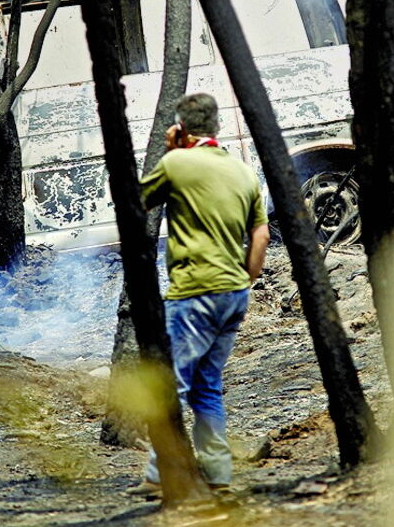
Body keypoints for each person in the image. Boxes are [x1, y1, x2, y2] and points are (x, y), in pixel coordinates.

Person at [135, 92, 270, 492]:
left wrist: (172, 152)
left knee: (173, 383)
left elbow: (138, 201)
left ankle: (162, 476)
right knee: (207, 386)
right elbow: (260, 235)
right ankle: (218, 475)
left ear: (181, 127)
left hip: (193, 292)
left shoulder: (176, 163)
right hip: (234, 292)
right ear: (217, 126)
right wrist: (246, 279)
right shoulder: (243, 172)